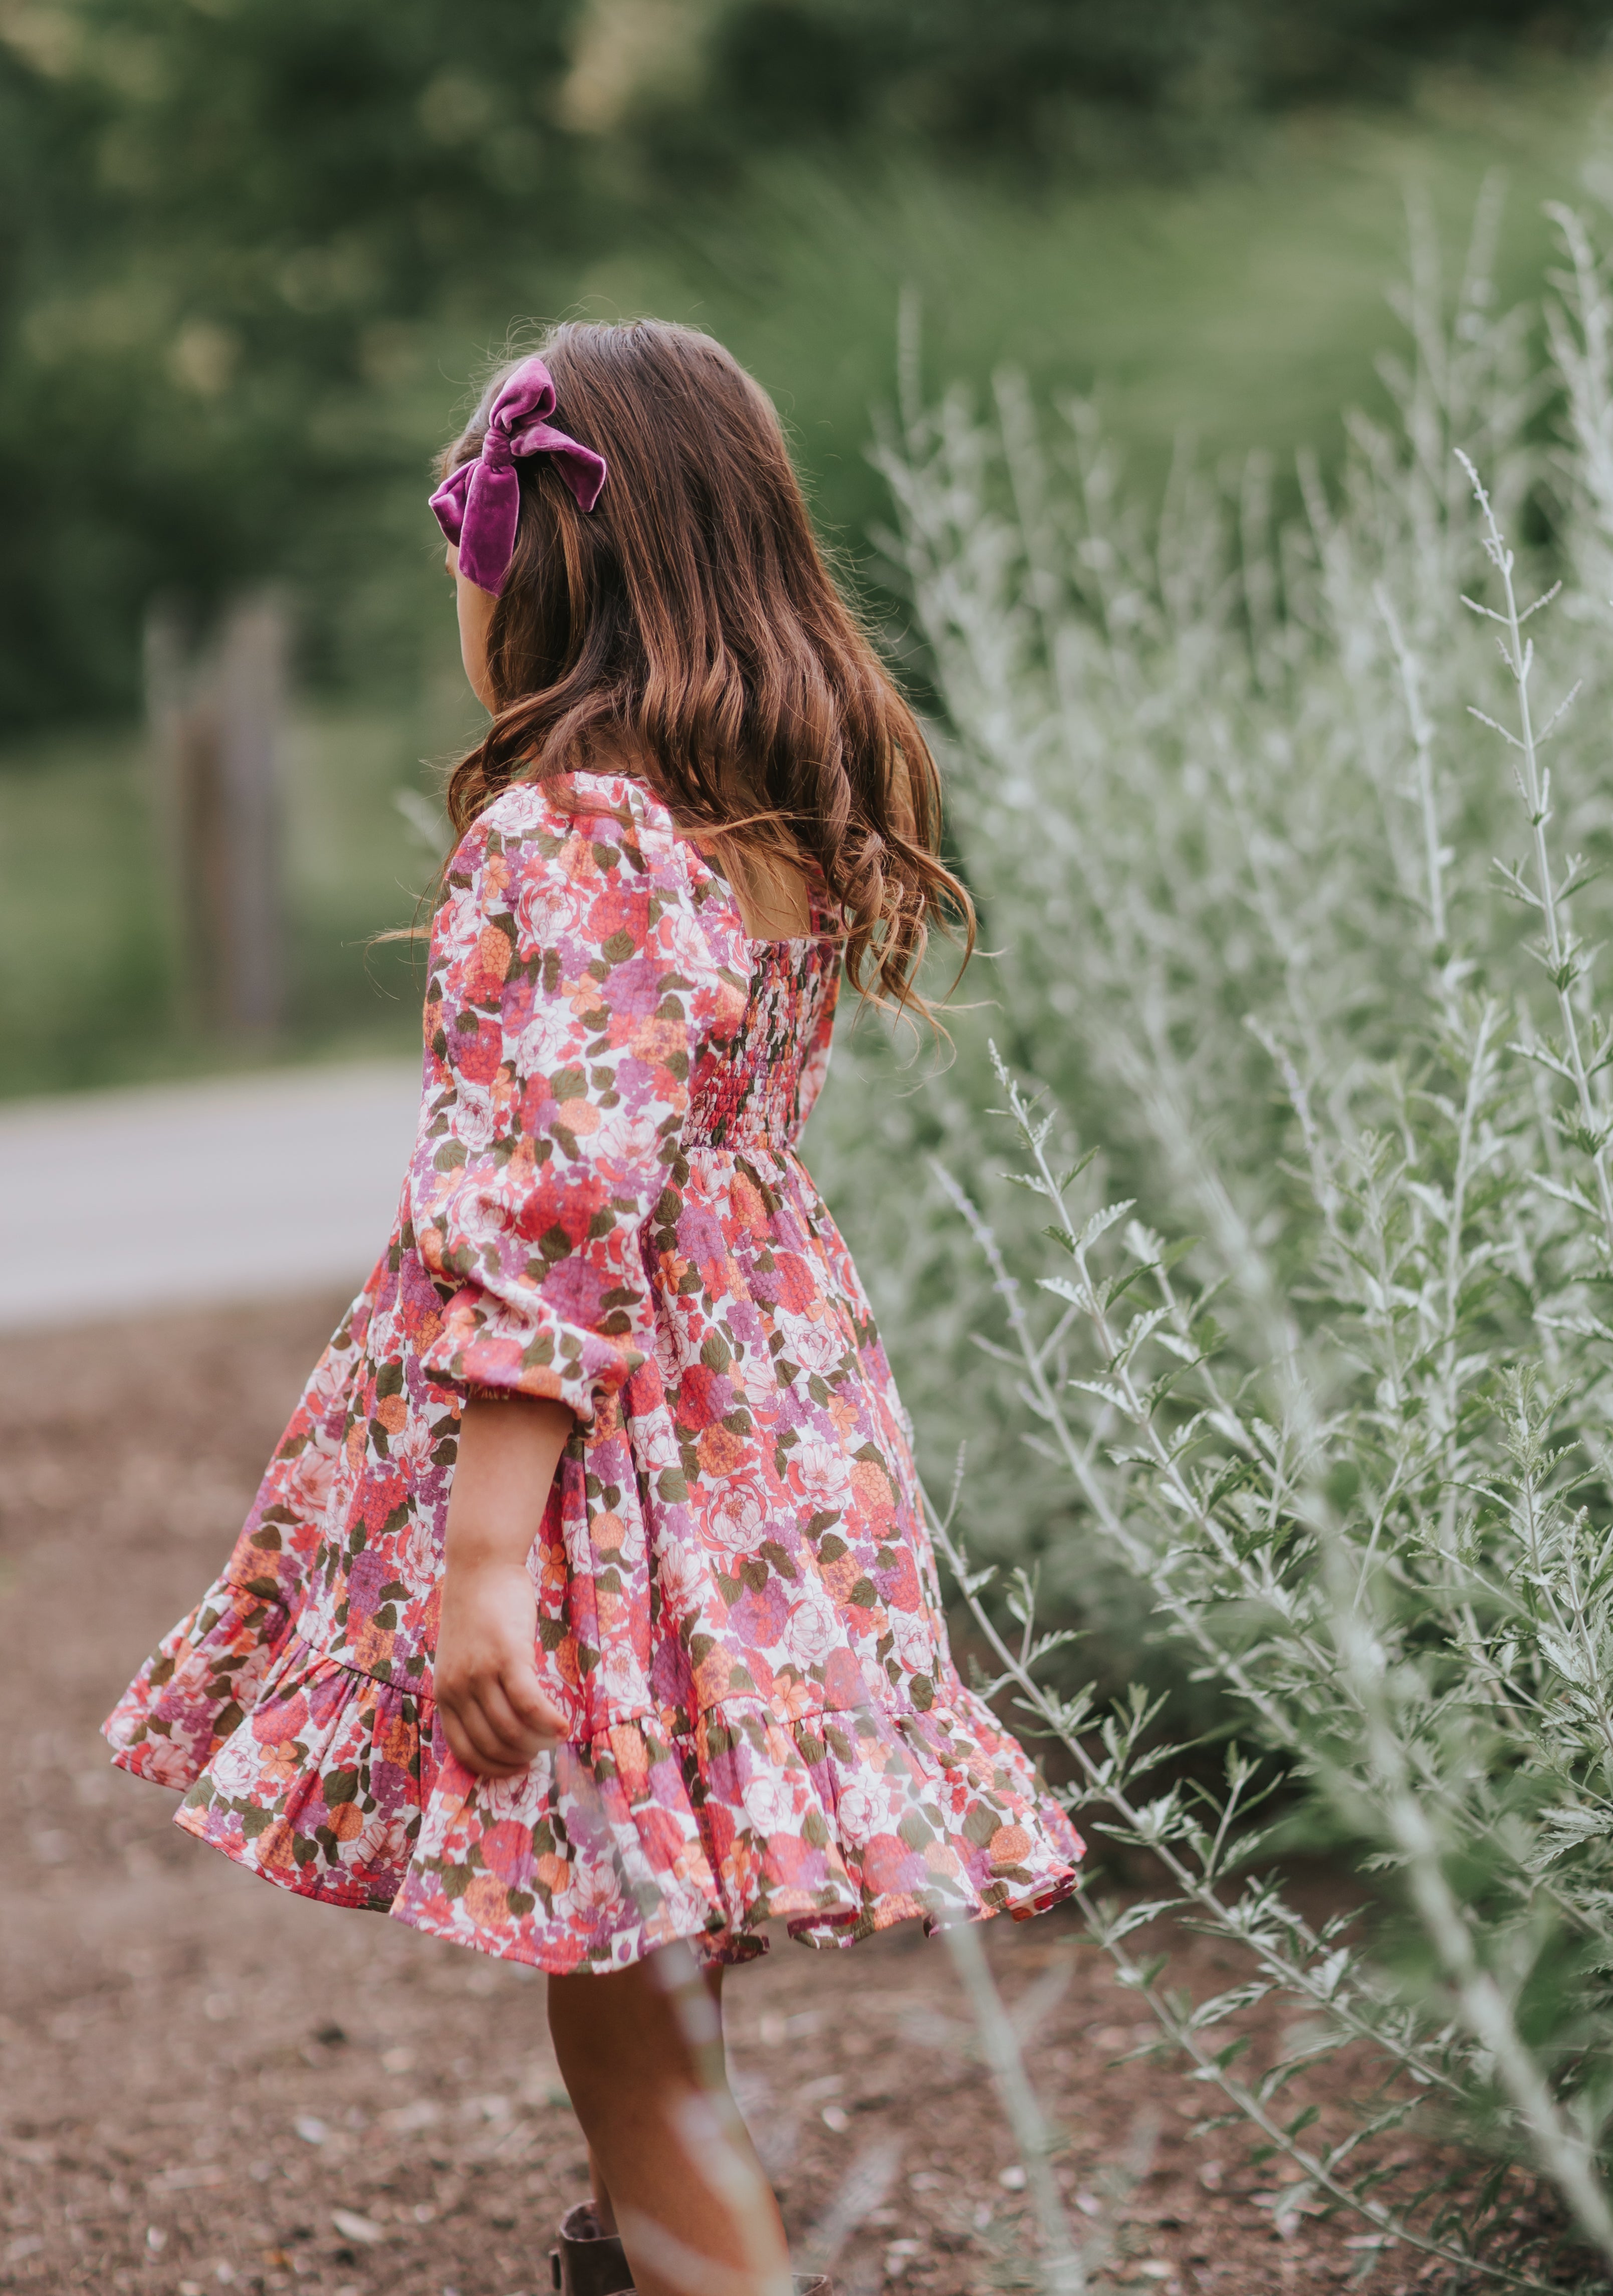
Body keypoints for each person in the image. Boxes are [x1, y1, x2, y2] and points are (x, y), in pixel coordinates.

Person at [105, 322, 1082, 2296]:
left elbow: (551, 1208)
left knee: (626, 2013)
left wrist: (486, 1557)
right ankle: (635, 2260)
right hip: (768, 1425)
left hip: (608, 1457)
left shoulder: (573, 832)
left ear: (530, 580)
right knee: (665, 1940)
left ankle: (695, 2266)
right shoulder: (788, 824)